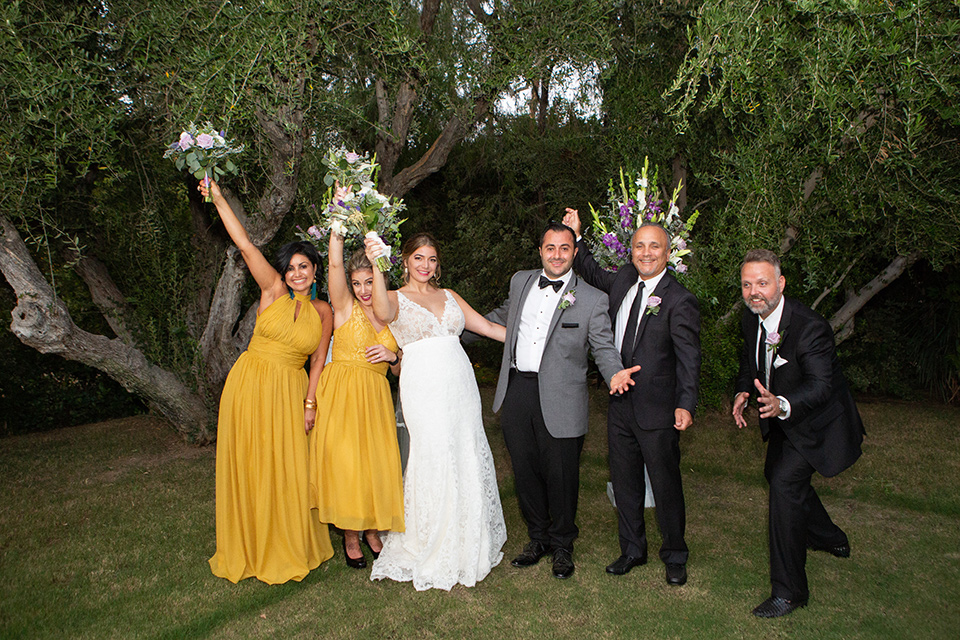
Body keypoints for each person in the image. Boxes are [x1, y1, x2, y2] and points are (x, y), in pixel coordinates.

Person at [481, 222, 640, 580]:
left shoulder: (593, 299)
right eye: (550, 248)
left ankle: (563, 545)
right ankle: (538, 538)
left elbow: (602, 345)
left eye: (564, 248)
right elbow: (498, 318)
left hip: (563, 397)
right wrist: (452, 329)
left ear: (573, 252)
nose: (557, 255)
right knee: (525, 471)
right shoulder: (520, 281)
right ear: (541, 251)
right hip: (518, 389)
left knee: (562, 476)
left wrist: (615, 371)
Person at [202, 179, 334, 584]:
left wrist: (310, 403)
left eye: (304, 266)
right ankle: (251, 542)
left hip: (291, 391)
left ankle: (286, 540)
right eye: (291, 266)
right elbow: (244, 244)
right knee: (252, 462)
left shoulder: (324, 310)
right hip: (251, 384)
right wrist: (218, 197)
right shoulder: (271, 290)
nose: (296, 273)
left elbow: (317, 362)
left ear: (314, 271)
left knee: (289, 468)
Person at [563, 209, 700, 586]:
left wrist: (685, 404)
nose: (646, 252)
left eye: (654, 246)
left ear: (668, 254)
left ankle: (675, 554)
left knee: (666, 485)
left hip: (658, 410)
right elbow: (590, 270)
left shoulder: (680, 300)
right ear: (631, 251)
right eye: (639, 245)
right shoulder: (623, 279)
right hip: (619, 405)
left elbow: (689, 358)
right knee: (624, 483)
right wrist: (577, 235)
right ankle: (632, 550)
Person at [363, 232, 508, 591]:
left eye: (431, 259)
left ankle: (467, 538)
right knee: (433, 454)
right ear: (406, 260)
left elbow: (488, 327)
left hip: (461, 387)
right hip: (423, 387)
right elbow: (381, 312)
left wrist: (540, 339)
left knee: (465, 450)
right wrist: (377, 263)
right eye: (418, 258)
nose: (425, 266)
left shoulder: (450, 296)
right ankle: (429, 539)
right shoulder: (394, 298)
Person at [733, 249, 864, 618]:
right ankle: (829, 537)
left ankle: (789, 592)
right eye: (747, 284)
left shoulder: (811, 326)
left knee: (784, 487)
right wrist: (744, 389)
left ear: (780, 283)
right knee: (777, 476)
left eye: (762, 283)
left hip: (818, 422)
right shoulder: (750, 317)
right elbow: (750, 359)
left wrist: (783, 404)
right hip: (781, 418)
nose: (754, 292)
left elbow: (822, 385)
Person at [308, 222, 405, 570]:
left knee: (374, 465)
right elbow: (334, 265)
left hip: (377, 398)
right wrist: (337, 225)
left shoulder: (392, 316)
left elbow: (399, 372)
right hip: (342, 396)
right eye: (357, 283)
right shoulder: (344, 308)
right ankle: (351, 535)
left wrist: (393, 356)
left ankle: (372, 530)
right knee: (347, 466)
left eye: (369, 281)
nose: (363, 290)